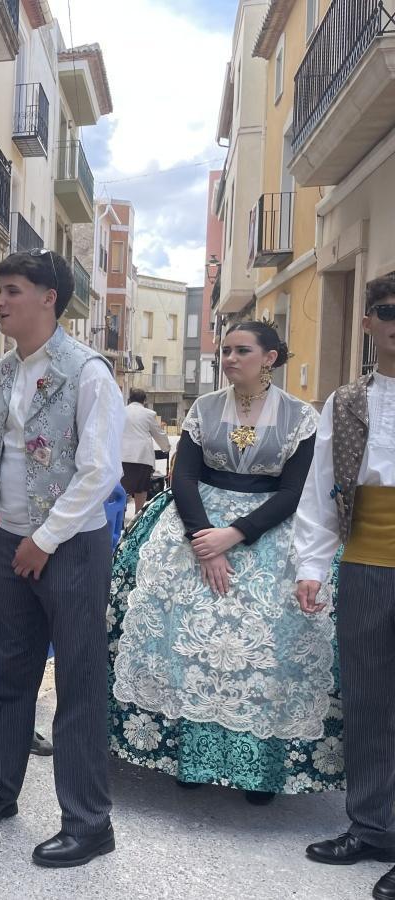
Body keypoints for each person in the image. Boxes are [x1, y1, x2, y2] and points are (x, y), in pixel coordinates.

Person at [109, 321, 341, 806]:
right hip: (195, 525)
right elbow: (184, 477)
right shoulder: (203, 408)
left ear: (270, 358)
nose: (229, 358)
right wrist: (201, 540)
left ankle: (259, 769)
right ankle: (189, 758)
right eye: (226, 350)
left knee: (270, 644)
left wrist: (234, 536)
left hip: (270, 529)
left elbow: (297, 491)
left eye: (242, 350)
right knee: (181, 638)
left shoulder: (302, 417)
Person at [0, 249, 124, 867]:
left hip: (72, 548)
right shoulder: (3, 372)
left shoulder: (88, 372)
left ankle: (89, 821)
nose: (0, 301)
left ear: (48, 297)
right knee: (10, 671)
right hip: (11, 543)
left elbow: (99, 471)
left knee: (80, 682)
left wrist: (44, 540)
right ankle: (1, 790)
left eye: (11, 290)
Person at [295, 276, 395, 900]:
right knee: (365, 698)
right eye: (387, 312)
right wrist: (312, 567)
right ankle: (373, 825)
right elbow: (322, 489)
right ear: (367, 322)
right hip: (364, 563)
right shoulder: (347, 401)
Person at [121, 388, 170, 516]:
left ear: (129, 399)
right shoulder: (148, 414)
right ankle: (137, 515)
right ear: (144, 400)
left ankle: (120, 514)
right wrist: (166, 447)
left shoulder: (120, 411)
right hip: (141, 457)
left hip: (121, 456)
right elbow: (158, 433)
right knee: (141, 488)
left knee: (122, 486)